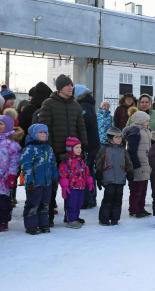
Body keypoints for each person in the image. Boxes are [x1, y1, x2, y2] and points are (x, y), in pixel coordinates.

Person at [38, 74, 88, 227]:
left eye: (72, 85)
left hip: (73, 154)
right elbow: (45, 129)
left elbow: (81, 128)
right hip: (55, 153)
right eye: (67, 85)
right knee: (51, 187)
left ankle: (71, 216)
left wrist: (83, 147)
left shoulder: (76, 105)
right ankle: (48, 218)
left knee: (72, 187)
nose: (70, 88)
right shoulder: (49, 104)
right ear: (60, 88)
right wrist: (51, 151)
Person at [20, 124, 58, 234]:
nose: (43, 134)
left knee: (45, 204)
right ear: (33, 134)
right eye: (40, 132)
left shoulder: (48, 148)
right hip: (35, 183)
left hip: (47, 183)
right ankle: (31, 226)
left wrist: (55, 178)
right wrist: (29, 180)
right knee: (33, 204)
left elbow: (53, 164)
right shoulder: (29, 149)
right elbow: (26, 165)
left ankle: (43, 224)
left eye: (45, 132)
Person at [96, 127, 133, 226]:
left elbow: (128, 162)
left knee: (118, 199)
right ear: (110, 138)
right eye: (117, 137)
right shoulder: (104, 149)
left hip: (120, 178)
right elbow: (99, 162)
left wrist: (130, 173)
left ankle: (115, 218)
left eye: (120, 137)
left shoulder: (123, 150)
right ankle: (104, 219)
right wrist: (99, 175)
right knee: (108, 199)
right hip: (108, 178)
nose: (119, 139)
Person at [74, 85, 101, 209]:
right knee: (89, 171)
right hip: (92, 144)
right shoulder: (88, 105)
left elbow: (84, 126)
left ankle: (88, 200)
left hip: (88, 145)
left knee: (86, 172)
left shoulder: (84, 107)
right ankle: (90, 198)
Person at [59, 137, 94, 229]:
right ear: (70, 149)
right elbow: (63, 174)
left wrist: (89, 181)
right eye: (77, 147)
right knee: (72, 204)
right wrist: (64, 186)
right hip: (71, 188)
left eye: (80, 147)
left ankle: (75, 217)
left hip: (81, 187)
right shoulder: (66, 161)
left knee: (79, 203)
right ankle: (70, 220)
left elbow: (86, 171)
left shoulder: (80, 160)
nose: (80, 149)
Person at [123, 111, 152, 218]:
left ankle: (141, 207)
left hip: (145, 162)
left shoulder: (146, 130)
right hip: (138, 163)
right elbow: (132, 149)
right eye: (146, 120)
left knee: (143, 187)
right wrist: (135, 164)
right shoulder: (135, 131)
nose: (148, 122)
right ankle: (134, 209)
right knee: (137, 188)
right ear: (140, 121)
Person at [0, 115, 21, 232]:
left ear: (7, 126)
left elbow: (14, 161)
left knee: (3, 200)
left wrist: (12, 174)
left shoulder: (11, 144)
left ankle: (3, 220)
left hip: (4, 177)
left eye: (1, 124)